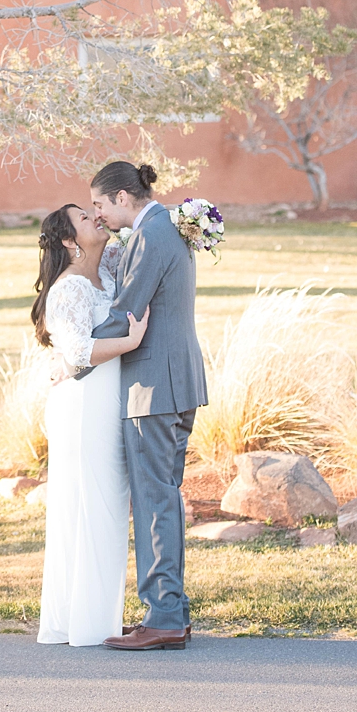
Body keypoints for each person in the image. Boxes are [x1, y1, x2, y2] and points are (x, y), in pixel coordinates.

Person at [75, 159, 209, 651]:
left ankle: (166, 616)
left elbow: (127, 312)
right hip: (173, 382)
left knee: (155, 501)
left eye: (99, 205)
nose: (98, 214)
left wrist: (74, 360)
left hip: (154, 388)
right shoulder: (163, 227)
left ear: (122, 198)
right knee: (162, 498)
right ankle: (168, 611)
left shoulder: (152, 236)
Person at [31, 203, 144, 647]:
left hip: (104, 404)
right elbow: (78, 352)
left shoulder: (107, 267)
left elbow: (137, 234)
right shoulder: (70, 288)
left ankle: (94, 618)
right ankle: (85, 624)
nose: (95, 219)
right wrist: (130, 341)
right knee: (87, 506)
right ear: (67, 241)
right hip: (81, 408)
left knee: (106, 507)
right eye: (83, 218)